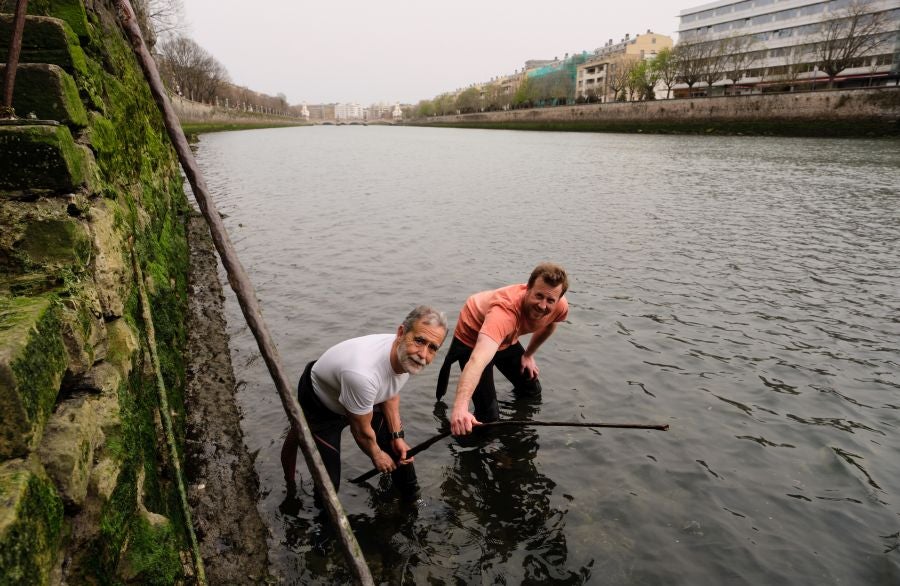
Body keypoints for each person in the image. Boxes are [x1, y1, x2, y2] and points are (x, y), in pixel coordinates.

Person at [281, 305, 447, 501]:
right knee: (328, 486)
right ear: (401, 333)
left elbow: (390, 392)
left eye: (432, 348)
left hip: (360, 396)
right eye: (420, 341)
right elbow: (360, 431)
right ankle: (293, 493)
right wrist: (376, 454)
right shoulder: (363, 373)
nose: (423, 354)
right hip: (321, 405)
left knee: (401, 456)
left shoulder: (405, 355)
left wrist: (397, 436)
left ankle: (411, 503)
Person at [436, 263, 569, 436]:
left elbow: (550, 325)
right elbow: (477, 360)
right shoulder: (504, 313)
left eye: (550, 300)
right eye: (539, 296)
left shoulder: (560, 306)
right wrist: (460, 408)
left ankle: (514, 434)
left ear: (558, 300)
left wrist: (528, 355)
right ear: (527, 289)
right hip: (474, 334)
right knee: (489, 419)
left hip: (506, 337)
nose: (543, 306)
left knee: (532, 389)